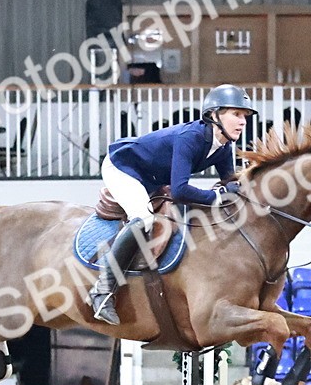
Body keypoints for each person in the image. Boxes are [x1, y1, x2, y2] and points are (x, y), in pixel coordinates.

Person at [88, 83, 257, 325]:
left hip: (152, 176)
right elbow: (180, 191)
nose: (243, 122)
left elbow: (229, 183)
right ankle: (102, 292)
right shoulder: (191, 138)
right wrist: (218, 196)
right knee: (143, 219)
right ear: (214, 114)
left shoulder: (224, 146)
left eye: (245, 117)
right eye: (236, 114)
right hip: (124, 168)